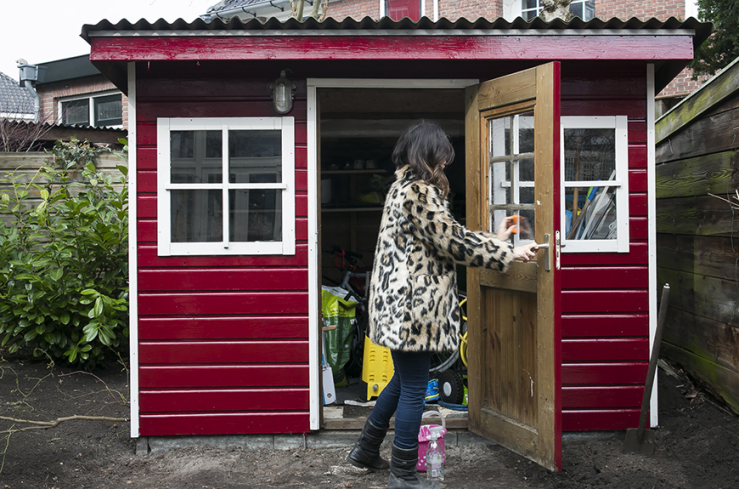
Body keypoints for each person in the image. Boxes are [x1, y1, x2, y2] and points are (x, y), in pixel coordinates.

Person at [346, 120, 539, 488]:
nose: (445, 166)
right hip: (412, 309)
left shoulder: (400, 188)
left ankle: (365, 450)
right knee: (414, 387)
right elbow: (450, 241)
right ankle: (402, 474)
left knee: (403, 383)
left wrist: (495, 241)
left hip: (399, 306)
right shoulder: (419, 192)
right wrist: (507, 251)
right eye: (443, 159)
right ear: (428, 156)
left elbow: (442, 238)